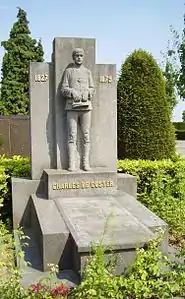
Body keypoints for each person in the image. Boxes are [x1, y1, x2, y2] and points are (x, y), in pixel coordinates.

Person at [61, 48, 94, 171]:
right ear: (73, 57)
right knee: (72, 136)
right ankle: (72, 163)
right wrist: (72, 92)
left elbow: (92, 88)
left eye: (81, 55)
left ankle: (85, 162)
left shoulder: (87, 72)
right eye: (77, 55)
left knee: (86, 135)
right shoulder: (68, 72)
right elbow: (63, 89)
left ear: (83, 57)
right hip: (72, 108)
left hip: (86, 108)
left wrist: (88, 93)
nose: (79, 57)